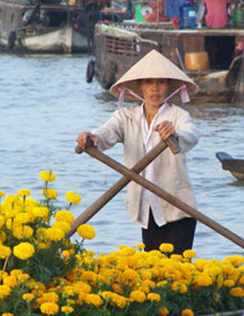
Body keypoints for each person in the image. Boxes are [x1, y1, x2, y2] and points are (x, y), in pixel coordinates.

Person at [76, 50, 199, 255]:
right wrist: (93, 136)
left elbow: (192, 135)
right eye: (148, 82)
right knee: (151, 269)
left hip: (178, 208)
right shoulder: (126, 116)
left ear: (168, 85)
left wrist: (175, 134)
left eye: (160, 82)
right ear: (140, 87)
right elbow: (108, 132)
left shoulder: (177, 115)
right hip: (145, 208)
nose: (154, 88)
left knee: (178, 273)